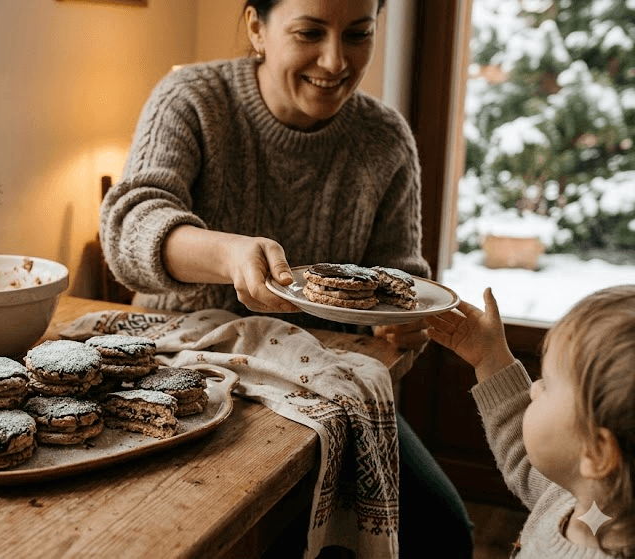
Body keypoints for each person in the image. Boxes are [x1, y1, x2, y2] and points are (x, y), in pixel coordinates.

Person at [99, 0, 472, 556]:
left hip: (322, 378)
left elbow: (401, 278)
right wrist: (227, 254)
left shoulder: (385, 137)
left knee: (441, 531)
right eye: (309, 32)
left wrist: (403, 329)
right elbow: (130, 226)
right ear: (257, 27)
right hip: (183, 359)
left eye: (358, 34)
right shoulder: (194, 99)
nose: (334, 60)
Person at [426, 286, 635, 558]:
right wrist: (490, 360)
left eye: (547, 384)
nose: (534, 388)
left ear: (597, 452)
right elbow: (525, 454)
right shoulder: (580, 495)